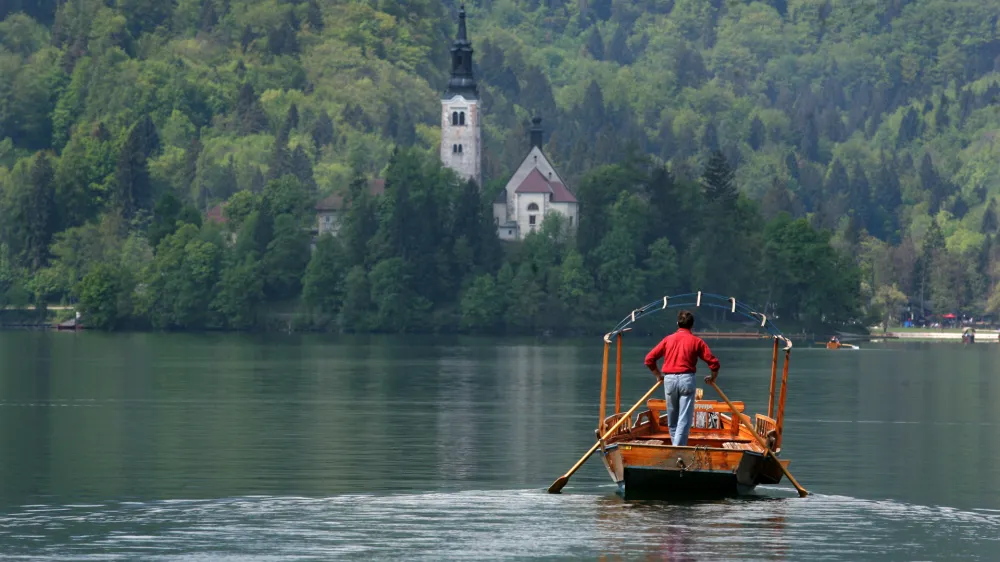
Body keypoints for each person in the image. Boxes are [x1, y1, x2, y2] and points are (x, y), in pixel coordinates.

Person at [644, 310, 721, 447]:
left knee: (673, 421)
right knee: (684, 420)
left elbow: (649, 359)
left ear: (677, 323)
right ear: (692, 325)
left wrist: (658, 375)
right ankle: (677, 451)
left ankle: (676, 451)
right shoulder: (696, 341)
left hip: (669, 380)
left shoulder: (668, 340)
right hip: (687, 379)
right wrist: (713, 377)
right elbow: (714, 363)